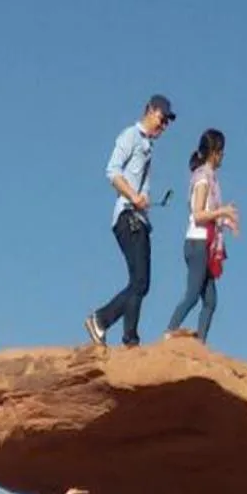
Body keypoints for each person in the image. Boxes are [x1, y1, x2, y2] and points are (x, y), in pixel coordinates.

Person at [86, 94, 175, 350]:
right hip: (128, 216)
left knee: (140, 283)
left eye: (167, 121)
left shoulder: (147, 145)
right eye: (162, 118)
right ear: (150, 111)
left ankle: (129, 339)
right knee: (140, 282)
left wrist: (143, 196)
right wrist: (134, 196)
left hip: (138, 218)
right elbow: (112, 171)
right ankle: (104, 322)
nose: (164, 125)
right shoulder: (131, 136)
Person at [166, 128, 240, 340]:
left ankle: (200, 343)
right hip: (198, 243)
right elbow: (198, 214)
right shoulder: (203, 179)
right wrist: (223, 211)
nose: (223, 156)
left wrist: (226, 221)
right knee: (192, 294)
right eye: (222, 151)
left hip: (203, 244)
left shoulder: (210, 178)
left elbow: (209, 214)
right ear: (214, 152)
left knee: (210, 301)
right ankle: (169, 332)